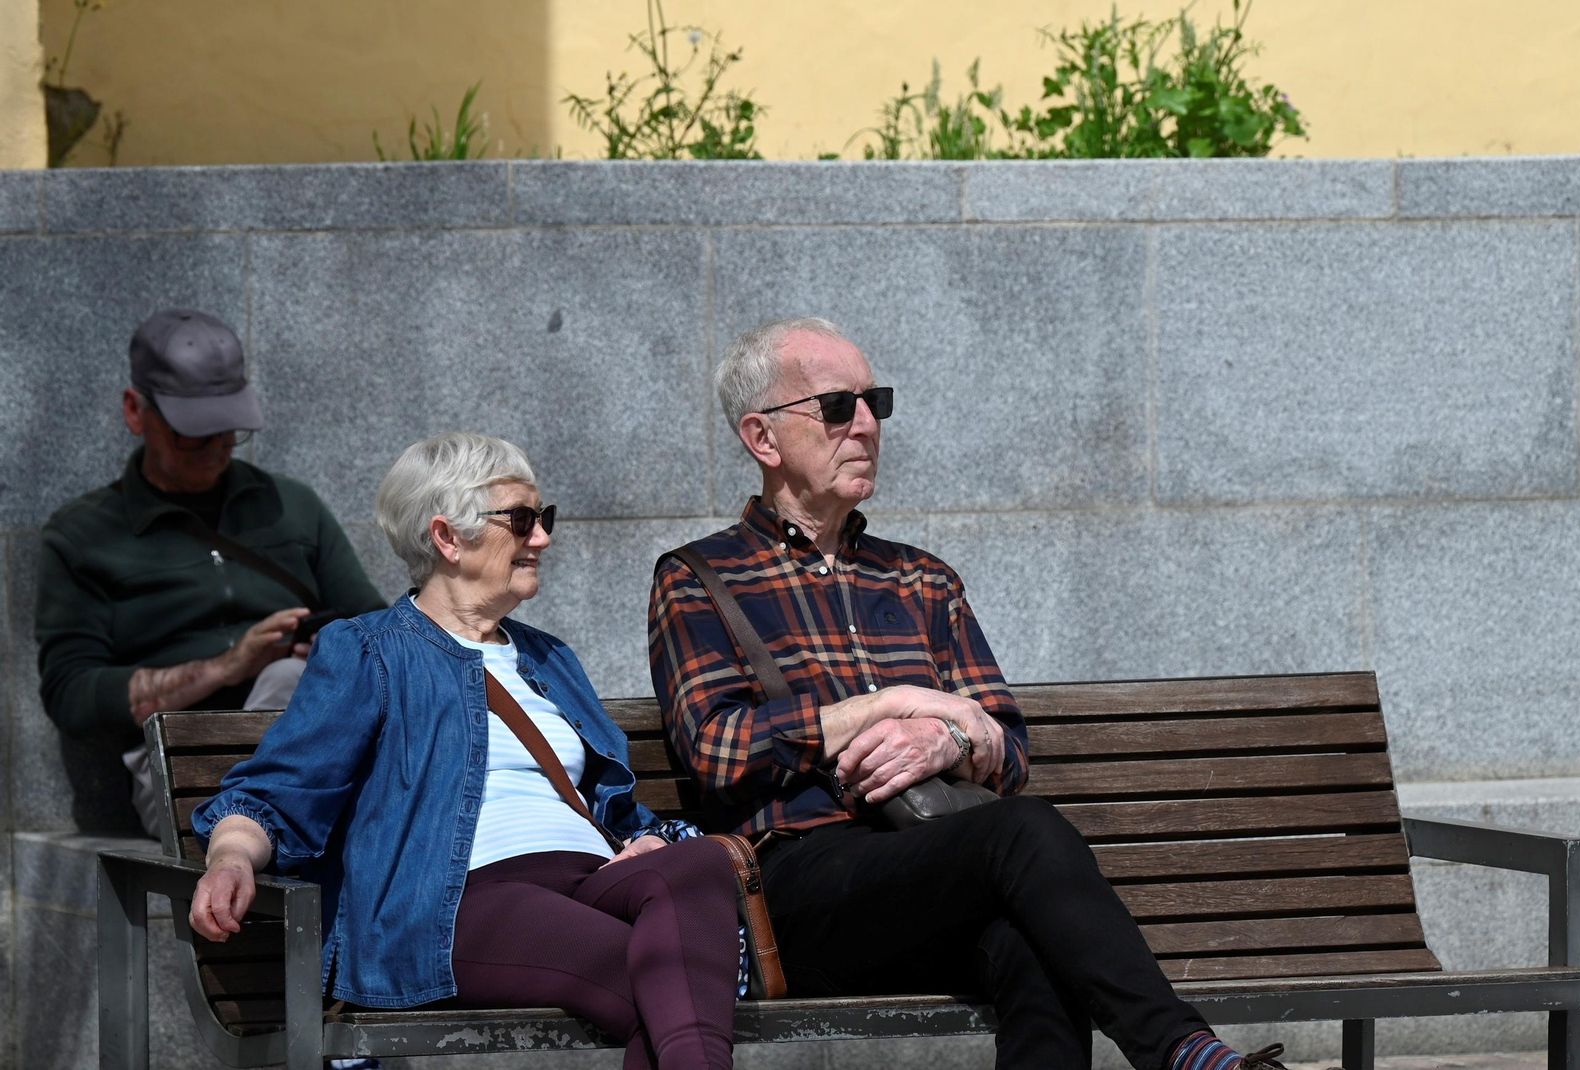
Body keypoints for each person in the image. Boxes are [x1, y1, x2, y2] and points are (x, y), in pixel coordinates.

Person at [648, 318, 1312, 1070]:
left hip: (937, 863)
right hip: (802, 884)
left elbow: (1008, 747)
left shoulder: (923, 579)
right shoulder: (699, 578)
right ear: (762, 439)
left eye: (876, 403)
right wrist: (884, 703)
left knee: (1035, 946)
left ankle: (1192, 1057)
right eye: (838, 406)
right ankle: (1184, 1052)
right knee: (1022, 833)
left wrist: (953, 739)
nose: (866, 425)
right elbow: (715, 749)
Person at [189, 432, 740, 1070]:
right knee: (668, 976)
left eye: (545, 519)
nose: (543, 539)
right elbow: (277, 791)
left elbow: (606, 799)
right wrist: (230, 858)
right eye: (523, 521)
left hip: (588, 879)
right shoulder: (371, 650)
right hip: (455, 901)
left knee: (698, 867)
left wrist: (637, 840)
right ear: (448, 538)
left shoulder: (549, 657)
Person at [35, 308, 384, 836]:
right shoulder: (84, 535)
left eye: (228, 431)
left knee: (298, 678)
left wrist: (335, 648)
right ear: (136, 411)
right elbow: (72, 695)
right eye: (194, 434)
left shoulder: (289, 505)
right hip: (182, 768)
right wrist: (227, 667)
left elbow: (379, 630)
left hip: (310, 744)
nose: (218, 448)